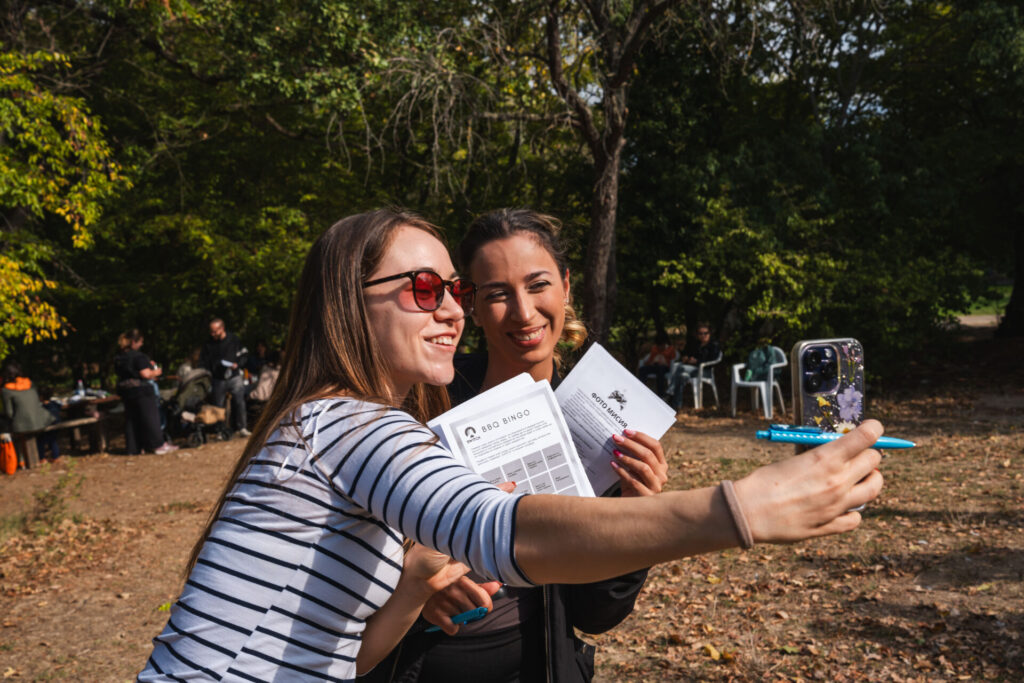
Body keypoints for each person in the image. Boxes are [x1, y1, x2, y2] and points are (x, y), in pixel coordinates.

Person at [138, 209, 884, 682]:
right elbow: (503, 529)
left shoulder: (326, 422)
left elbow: (343, 656)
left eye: (452, 290)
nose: (453, 311)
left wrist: (413, 582)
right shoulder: (350, 424)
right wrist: (740, 509)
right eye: (425, 289)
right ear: (347, 303)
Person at [367, 208, 670, 683]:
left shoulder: (604, 426)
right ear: (469, 304)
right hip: (411, 668)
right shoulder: (424, 399)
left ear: (566, 287)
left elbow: (596, 614)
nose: (524, 312)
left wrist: (638, 517)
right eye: (497, 294)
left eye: (537, 285)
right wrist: (413, 592)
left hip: (538, 667)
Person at [114, 330, 178, 455]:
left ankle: (133, 448)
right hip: (142, 391)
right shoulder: (138, 356)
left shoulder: (119, 357)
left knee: (131, 420)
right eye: (141, 342)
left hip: (126, 391)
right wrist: (156, 372)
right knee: (150, 418)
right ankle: (157, 444)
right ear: (134, 342)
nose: (142, 344)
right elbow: (146, 374)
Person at [200, 318, 249, 437]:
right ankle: (220, 431)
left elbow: (244, 354)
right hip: (218, 379)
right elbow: (204, 361)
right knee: (218, 405)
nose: (212, 334)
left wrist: (238, 364)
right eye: (211, 331)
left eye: (215, 331)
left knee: (239, 401)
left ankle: (242, 427)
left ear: (222, 329)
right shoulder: (208, 344)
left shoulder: (233, 339)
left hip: (234, 376)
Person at [2, 361, 59, 461]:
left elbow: (9, 413)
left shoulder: (6, 390)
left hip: (22, 425)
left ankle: (20, 460)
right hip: (41, 420)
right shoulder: (30, 383)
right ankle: (49, 455)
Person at [665, 322, 721, 410]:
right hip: (692, 370)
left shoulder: (713, 345)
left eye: (705, 333)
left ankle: (669, 392)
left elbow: (712, 360)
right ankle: (676, 405)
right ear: (697, 335)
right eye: (700, 333)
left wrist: (697, 361)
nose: (703, 335)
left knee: (681, 367)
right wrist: (686, 358)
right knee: (682, 376)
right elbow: (688, 354)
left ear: (709, 334)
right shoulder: (696, 344)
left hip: (705, 371)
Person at [637, 328, 677, 396]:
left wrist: (664, 362)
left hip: (665, 367)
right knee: (642, 370)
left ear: (665, 343)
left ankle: (661, 394)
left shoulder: (670, 349)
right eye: (658, 346)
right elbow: (648, 361)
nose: (660, 348)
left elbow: (673, 361)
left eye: (661, 346)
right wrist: (652, 362)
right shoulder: (654, 348)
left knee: (660, 370)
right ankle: (641, 390)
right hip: (655, 366)